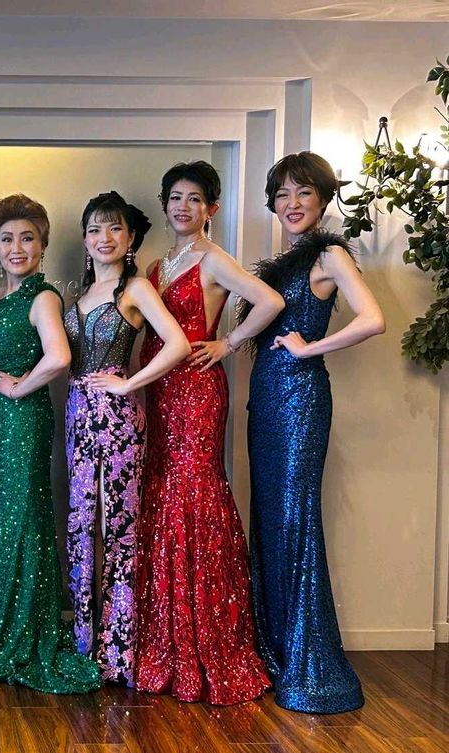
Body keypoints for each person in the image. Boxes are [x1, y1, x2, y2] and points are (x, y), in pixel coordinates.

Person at [135, 160, 282, 705]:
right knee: (162, 493)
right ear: (165, 203)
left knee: (193, 497)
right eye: (175, 197)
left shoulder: (215, 259)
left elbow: (270, 301)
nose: (183, 207)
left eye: (194, 199)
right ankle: (165, 634)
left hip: (196, 391)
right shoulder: (157, 265)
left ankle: (207, 636)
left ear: (211, 208)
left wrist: (229, 342)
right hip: (158, 389)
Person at [244, 151, 384, 714]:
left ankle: (309, 665)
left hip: (300, 401)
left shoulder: (328, 254)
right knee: (271, 519)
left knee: (295, 520)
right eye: (282, 194)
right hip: (266, 401)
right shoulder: (283, 262)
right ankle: (277, 651)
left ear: (323, 200)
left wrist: (310, 348)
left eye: (303, 192)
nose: (291, 203)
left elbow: (372, 318)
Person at [0, 194, 100, 694]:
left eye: (27, 238)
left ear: (42, 245)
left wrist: (18, 388)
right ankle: (5, 628)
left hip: (21, 425)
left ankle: (25, 633)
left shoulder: (44, 297)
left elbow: (59, 357)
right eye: (8, 239)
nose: (17, 247)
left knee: (22, 526)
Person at [63, 191, 189, 684]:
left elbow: (177, 343)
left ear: (131, 237)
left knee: (117, 526)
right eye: (95, 229)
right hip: (77, 414)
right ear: (84, 238)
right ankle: (84, 641)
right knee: (81, 525)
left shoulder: (135, 289)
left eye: (114, 228)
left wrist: (129, 382)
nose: (104, 237)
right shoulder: (81, 294)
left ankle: (117, 651)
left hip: (116, 418)